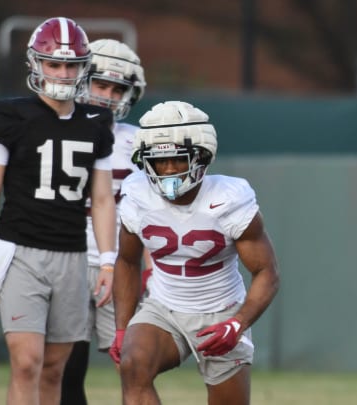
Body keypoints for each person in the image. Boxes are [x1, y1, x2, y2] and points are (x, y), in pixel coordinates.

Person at [0, 16, 117, 405]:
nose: (64, 72)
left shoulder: (96, 122)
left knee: (55, 369)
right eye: (55, 63)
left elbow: (102, 200)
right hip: (21, 252)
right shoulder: (8, 116)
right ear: (36, 63)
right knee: (27, 362)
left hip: (72, 254)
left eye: (71, 65)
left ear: (84, 67)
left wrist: (107, 261)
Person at [109, 101, 280, 405]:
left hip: (222, 311)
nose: (169, 169)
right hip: (163, 307)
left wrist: (237, 323)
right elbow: (127, 260)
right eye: (160, 161)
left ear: (201, 156)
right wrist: (122, 328)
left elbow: (267, 272)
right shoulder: (137, 193)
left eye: (178, 159)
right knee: (133, 366)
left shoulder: (228, 199)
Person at [60, 38, 149, 405]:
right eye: (101, 84)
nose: (108, 96)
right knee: (66, 367)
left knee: (133, 365)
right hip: (68, 259)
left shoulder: (138, 142)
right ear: (81, 79)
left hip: (121, 263)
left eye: (117, 89)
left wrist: (148, 268)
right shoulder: (53, 130)